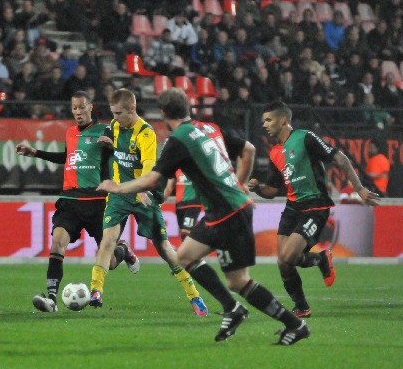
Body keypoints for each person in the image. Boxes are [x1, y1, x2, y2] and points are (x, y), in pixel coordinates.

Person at [98, 88, 309, 345]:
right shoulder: (210, 129)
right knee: (188, 257)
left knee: (237, 280)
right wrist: (238, 186)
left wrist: (118, 187)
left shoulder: (178, 140)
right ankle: (236, 310)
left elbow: (154, 179)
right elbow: (249, 150)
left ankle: (292, 323)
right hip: (229, 210)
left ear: (163, 114)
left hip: (227, 214)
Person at [248, 101, 380, 318]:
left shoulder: (305, 137)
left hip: (315, 206)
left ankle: (319, 260)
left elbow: (340, 158)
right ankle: (302, 306)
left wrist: (359, 189)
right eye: (263, 120)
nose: (264, 125)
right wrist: (259, 189)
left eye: (268, 120)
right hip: (292, 208)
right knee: (283, 262)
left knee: (289, 255)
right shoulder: (275, 153)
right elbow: (272, 190)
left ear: (283, 120)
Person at [15, 91, 139, 312]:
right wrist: (36, 153)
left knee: (109, 262)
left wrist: (113, 147)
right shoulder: (70, 133)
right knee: (57, 242)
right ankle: (51, 299)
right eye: (74, 108)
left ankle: (123, 252)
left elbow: (126, 155)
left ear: (90, 107)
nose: (78, 112)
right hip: (70, 199)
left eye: (82, 107)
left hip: (98, 200)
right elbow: (67, 157)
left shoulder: (106, 130)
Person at [90, 88, 207, 317]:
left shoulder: (146, 133)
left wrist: (144, 191)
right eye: (112, 113)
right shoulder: (114, 127)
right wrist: (110, 145)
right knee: (107, 241)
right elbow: (122, 151)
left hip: (143, 195)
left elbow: (147, 167)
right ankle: (96, 291)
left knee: (164, 248)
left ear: (132, 110)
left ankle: (195, 297)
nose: (114, 118)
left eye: (118, 113)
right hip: (119, 195)